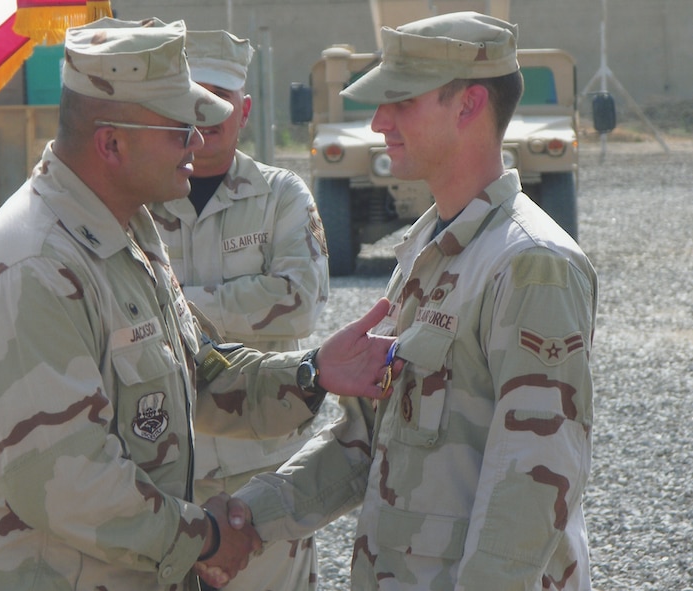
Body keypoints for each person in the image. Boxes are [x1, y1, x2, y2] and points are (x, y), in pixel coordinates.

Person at [0, 17, 399, 591]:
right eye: (179, 129)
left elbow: (194, 372)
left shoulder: (125, 231)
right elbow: (68, 480)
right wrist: (204, 537)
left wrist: (312, 372)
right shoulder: (34, 265)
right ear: (111, 142)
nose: (198, 142)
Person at [226, 11, 598, 590]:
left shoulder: (531, 264)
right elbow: (367, 440)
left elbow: (534, 481)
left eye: (400, 102)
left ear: (469, 105)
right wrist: (248, 517)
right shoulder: (430, 249)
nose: (378, 121)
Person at [148, 29, 329, 591]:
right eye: (193, 99)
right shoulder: (139, 196)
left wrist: (174, 308)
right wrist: (249, 297)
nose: (205, 117)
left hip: (263, 466)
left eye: (219, 101)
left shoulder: (282, 196)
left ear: (245, 109)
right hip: (165, 468)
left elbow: (299, 303)